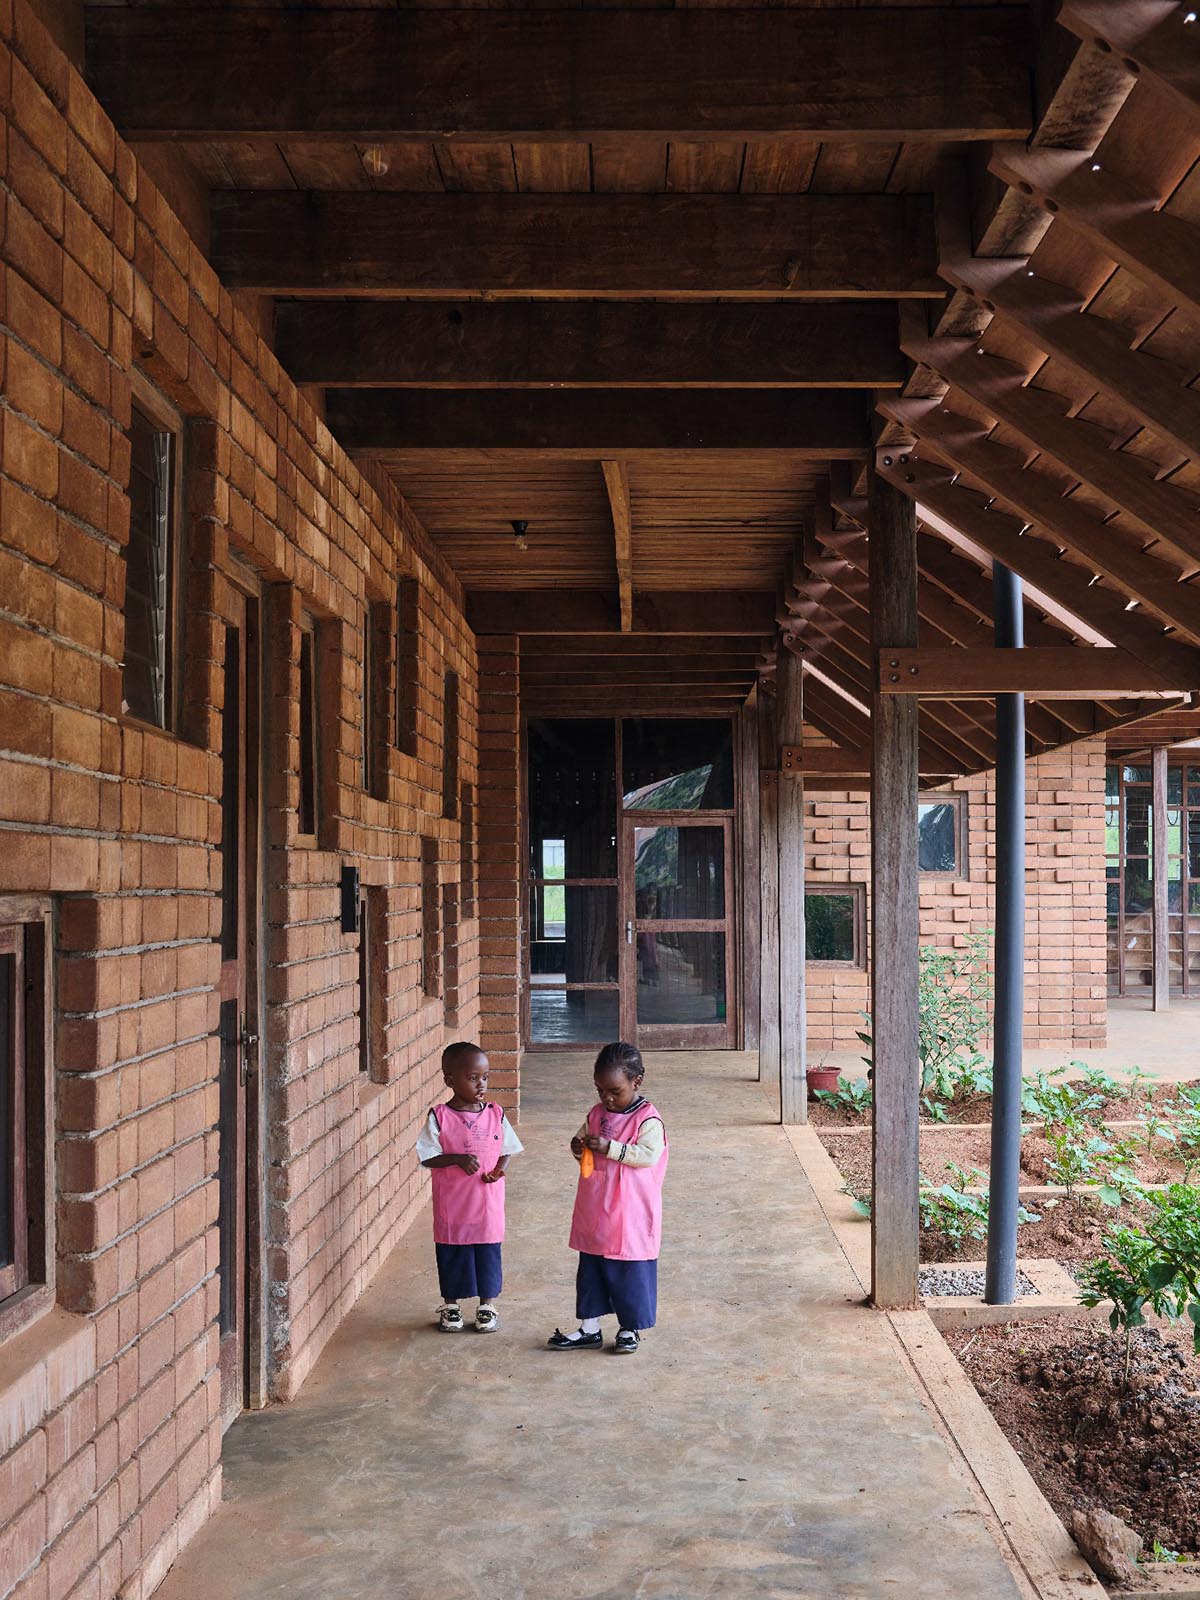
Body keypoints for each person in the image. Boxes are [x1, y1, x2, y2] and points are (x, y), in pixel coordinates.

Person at [547, 1041, 668, 1355]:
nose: (607, 1098)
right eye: (600, 1091)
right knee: (592, 1267)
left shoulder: (647, 1119)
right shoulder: (597, 1114)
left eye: (615, 1091)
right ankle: (589, 1328)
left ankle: (629, 1328)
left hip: (630, 1211)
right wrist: (578, 1148)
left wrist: (609, 1148)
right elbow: (583, 1143)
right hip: (597, 1207)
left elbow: (648, 1156)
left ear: (636, 1082)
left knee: (629, 1271)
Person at [416, 1041, 523, 1332]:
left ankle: (487, 1305)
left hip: (486, 1203)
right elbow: (427, 1156)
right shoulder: (440, 1117)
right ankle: (451, 1306)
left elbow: (507, 1149)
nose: (481, 1084)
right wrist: (456, 1158)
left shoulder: (495, 1114)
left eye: (485, 1077)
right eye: (472, 1078)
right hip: (454, 1205)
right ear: (450, 1080)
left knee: (487, 1254)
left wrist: (499, 1171)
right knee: (452, 1253)